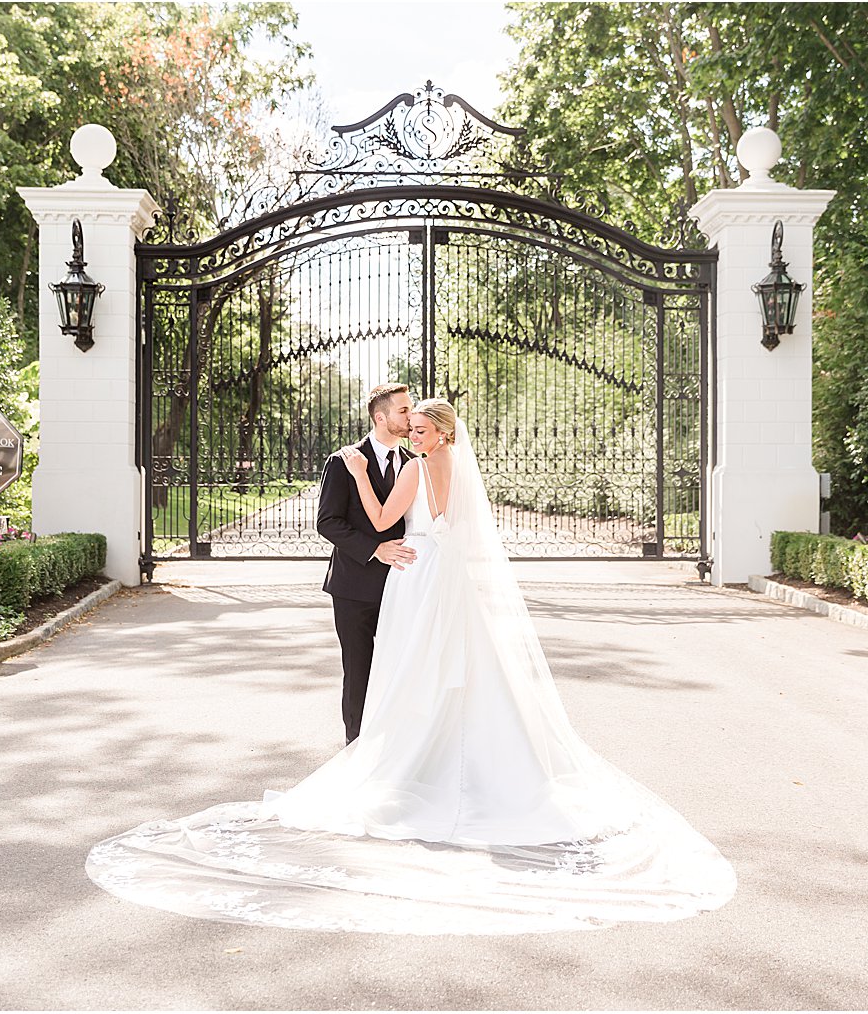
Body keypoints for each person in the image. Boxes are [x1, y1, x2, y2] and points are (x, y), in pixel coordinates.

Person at [87, 399, 737, 934]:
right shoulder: (452, 461)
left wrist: (359, 469)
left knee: (409, 671)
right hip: (445, 574)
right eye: (409, 424)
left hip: (417, 575)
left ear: (440, 431)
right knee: (458, 671)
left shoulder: (421, 463)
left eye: (420, 426)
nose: (411, 432)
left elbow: (377, 516)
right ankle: (444, 756)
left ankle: (401, 759)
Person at [314, 382, 417, 745]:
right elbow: (328, 521)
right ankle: (355, 752)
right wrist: (376, 549)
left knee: (399, 673)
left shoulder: (413, 464)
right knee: (358, 673)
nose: (411, 414)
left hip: (403, 586)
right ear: (380, 416)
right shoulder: (344, 461)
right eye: (403, 410)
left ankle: (394, 749)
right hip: (354, 588)